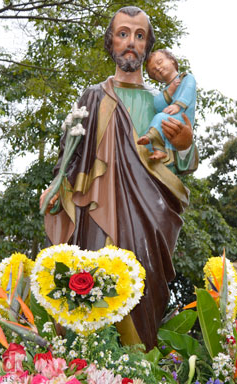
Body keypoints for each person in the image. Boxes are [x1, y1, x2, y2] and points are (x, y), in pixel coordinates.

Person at [40, 6, 198, 350]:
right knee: (91, 281)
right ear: (110, 41)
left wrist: (184, 144)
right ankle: (86, 362)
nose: (131, 42)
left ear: (148, 46)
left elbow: (181, 163)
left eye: (140, 36)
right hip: (93, 209)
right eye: (123, 33)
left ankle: (140, 362)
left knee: (144, 284)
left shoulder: (160, 104)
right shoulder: (93, 96)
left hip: (149, 212)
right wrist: (57, 186)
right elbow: (70, 151)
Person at [137, 49, 196, 161]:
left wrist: (178, 105)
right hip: (169, 119)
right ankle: (157, 149)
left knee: (160, 118)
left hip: (180, 119)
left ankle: (151, 140)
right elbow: (158, 105)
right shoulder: (164, 91)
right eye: (154, 71)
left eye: (160, 62)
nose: (158, 68)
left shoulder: (186, 78)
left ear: (172, 61)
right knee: (161, 118)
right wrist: (170, 91)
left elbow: (188, 91)